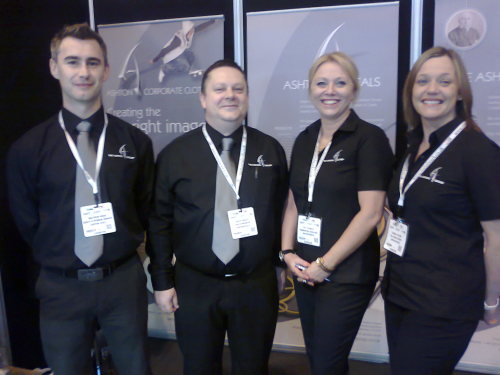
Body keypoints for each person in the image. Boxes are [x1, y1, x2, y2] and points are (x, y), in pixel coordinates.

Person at [7, 24, 154, 375]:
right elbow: (26, 221)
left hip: (122, 282)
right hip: (61, 287)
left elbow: (145, 208)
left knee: (136, 369)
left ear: (106, 70)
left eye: (93, 62)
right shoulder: (27, 149)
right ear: (54, 68)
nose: (83, 72)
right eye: (73, 61)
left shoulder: (135, 142)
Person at [147, 59, 289, 375]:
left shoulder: (271, 150)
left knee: (253, 368)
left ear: (247, 97)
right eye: (220, 89)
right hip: (195, 286)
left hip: (254, 284)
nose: (230, 95)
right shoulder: (175, 155)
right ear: (203, 98)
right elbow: (159, 221)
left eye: (238, 89)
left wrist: (279, 261)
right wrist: (161, 280)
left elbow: (282, 212)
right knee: (198, 368)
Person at [382, 46, 500, 375]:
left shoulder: (478, 152)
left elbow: (496, 237)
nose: (432, 90)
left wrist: (491, 301)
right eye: (423, 81)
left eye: (444, 81)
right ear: (411, 91)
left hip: (443, 303)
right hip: (400, 294)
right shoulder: (411, 145)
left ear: (460, 91)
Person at [281, 52, 394, 374]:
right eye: (321, 83)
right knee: (318, 357)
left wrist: (325, 265)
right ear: (310, 90)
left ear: (354, 91)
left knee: (328, 361)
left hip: (346, 272)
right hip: (305, 267)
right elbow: (294, 202)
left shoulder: (369, 139)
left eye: (340, 83)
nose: (330, 90)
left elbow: (371, 214)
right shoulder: (304, 139)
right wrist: (287, 252)